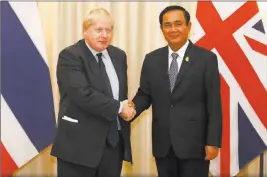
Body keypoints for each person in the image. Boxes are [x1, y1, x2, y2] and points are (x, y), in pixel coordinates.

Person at [131, 5, 223, 177]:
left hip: (195, 147)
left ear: (188, 26)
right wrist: (131, 109)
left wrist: (213, 141)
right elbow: (145, 94)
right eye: (167, 25)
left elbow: (214, 104)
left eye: (178, 24)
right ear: (162, 29)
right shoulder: (152, 59)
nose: (173, 29)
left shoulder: (206, 59)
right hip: (163, 146)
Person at [50, 8, 135, 177]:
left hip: (113, 145)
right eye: (98, 30)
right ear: (85, 31)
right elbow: (82, 94)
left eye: (108, 30)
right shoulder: (70, 55)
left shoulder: (119, 56)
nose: (104, 35)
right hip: (78, 147)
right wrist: (119, 108)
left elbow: (119, 95)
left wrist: (128, 107)